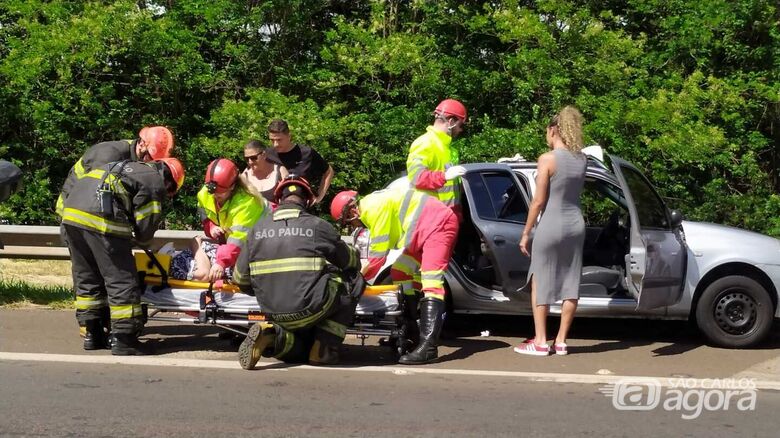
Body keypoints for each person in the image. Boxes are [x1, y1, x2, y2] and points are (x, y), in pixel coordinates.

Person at [235, 176, 363, 369]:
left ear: (278, 201)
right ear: (309, 200)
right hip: (311, 309)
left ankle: (272, 335)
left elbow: (239, 278)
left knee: (300, 347)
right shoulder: (318, 226)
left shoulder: (256, 230)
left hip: (273, 311)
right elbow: (350, 262)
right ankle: (325, 348)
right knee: (352, 280)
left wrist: (268, 288)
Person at [60, 157, 185, 355]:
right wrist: (139, 241)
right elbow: (146, 229)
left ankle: (93, 334)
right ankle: (124, 339)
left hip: (71, 217)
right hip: (100, 221)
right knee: (121, 279)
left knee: (88, 276)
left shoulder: (126, 167)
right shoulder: (154, 181)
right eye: (170, 191)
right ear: (169, 181)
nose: (167, 194)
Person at [330, 184, 459, 365]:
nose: (352, 226)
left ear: (352, 212)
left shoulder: (372, 209)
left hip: (438, 226)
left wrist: (356, 279)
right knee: (400, 271)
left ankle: (429, 348)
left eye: (348, 222)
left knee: (431, 282)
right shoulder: (371, 205)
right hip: (422, 231)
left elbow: (377, 257)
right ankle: (411, 331)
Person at [514, 106, 588, 357]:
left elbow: (538, 202)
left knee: (540, 280)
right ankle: (562, 341)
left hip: (552, 223)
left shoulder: (547, 159)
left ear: (553, 130)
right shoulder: (582, 160)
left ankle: (541, 341)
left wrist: (526, 233)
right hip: (576, 224)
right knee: (571, 282)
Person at [57, 126, 175, 216]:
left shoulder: (133, 159)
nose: (151, 164)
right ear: (142, 144)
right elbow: (93, 190)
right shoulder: (110, 154)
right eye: (150, 158)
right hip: (72, 208)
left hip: (85, 208)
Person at [197, 158, 267, 283]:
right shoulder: (206, 192)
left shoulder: (246, 203)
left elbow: (238, 238)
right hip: (238, 246)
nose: (215, 196)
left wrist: (221, 263)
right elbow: (203, 211)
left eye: (220, 193)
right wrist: (211, 226)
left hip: (266, 241)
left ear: (232, 187)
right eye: (213, 192)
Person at [406, 99, 469, 215]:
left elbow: (452, 189)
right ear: (451, 122)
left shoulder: (450, 150)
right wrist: (444, 176)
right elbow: (416, 177)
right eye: (460, 125)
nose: (461, 130)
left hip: (448, 216)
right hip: (429, 217)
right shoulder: (424, 143)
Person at [265, 119, 334, 206]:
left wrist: (319, 197)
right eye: (272, 140)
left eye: (279, 140)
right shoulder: (267, 155)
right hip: (275, 208)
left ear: (289, 136)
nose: (275, 144)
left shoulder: (306, 153)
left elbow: (328, 171)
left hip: (302, 208)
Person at [240, 140, 288, 205]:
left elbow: (289, 199)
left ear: (264, 155)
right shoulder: (244, 177)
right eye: (246, 159)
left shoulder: (281, 172)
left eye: (253, 158)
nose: (250, 162)